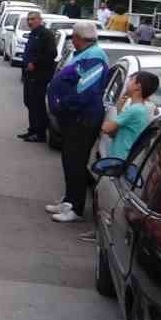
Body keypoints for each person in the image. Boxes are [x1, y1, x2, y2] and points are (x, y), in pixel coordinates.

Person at [45, 22, 109, 223]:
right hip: (75, 116)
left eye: (73, 36)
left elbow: (86, 90)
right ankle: (69, 200)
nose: (72, 39)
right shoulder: (85, 53)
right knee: (69, 159)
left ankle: (76, 208)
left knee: (76, 162)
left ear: (80, 37)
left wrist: (62, 103)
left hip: (84, 116)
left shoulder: (95, 57)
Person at [101, 72, 160, 161]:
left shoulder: (134, 110)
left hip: (119, 158)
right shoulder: (138, 108)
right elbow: (115, 133)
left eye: (131, 80)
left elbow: (107, 128)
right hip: (121, 157)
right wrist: (119, 110)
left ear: (138, 86)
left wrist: (102, 121)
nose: (127, 83)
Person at [17, 12, 55, 142]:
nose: (30, 22)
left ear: (40, 20)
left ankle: (40, 133)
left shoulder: (46, 34)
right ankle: (32, 129)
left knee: (37, 104)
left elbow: (51, 54)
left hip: (40, 75)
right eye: (28, 20)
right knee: (29, 102)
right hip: (29, 74)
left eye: (33, 19)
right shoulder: (33, 33)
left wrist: (35, 63)